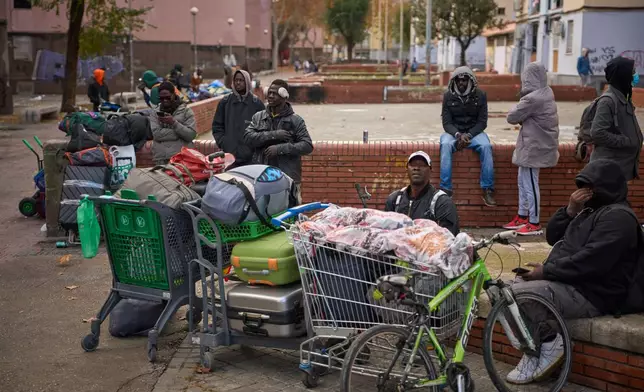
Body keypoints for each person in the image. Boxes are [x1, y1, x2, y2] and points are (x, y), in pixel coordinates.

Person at [504, 158, 639, 384]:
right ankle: (533, 351)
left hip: (595, 292)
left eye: (591, 187)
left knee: (520, 295)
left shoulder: (618, 217)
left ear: (605, 186)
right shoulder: (588, 211)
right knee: (505, 291)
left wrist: (546, 272)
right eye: (583, 187)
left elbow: (592, 261)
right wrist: (569, 211)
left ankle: (550, 344)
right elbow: (553, 237)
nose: (585, 192)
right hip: (569, 282)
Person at [503, 62, 560, 235]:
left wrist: (522, 107)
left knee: (530, 184)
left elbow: (511, 117)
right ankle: (522, 216)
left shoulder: (533, 98)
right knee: (523, 181)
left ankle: (534, 222)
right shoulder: (546, 92)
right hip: (535, 144)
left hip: (534, 147)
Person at [244, 79, 314, 204]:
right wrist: (274, 135)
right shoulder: (258, 117)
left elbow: (307, 145)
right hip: (262, 177)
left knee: (291, 214)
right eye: (269, 92)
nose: (270, 96)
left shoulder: (296, 121)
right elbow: (248, 138)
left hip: (288, 178)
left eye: (274, 93)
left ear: (284, 96)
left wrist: (280, 149)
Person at [440, 66, 496, 206]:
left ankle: (487, 189)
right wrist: (458, 135)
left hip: (474, 132)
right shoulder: (448, 96)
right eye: (459, 80)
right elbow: (446, 123)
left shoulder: (481, 95)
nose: (461, 83)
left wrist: (469, 135)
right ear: (454, 81)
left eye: (464, 80)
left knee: (486, 146)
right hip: (454, 133)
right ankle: (446, 189)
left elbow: (482, 122)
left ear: (470, 81)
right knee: (445, 145)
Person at [590, 56, 643, 181]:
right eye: (632, 72)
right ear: (623, 75)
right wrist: (626, 141)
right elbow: (598, 132)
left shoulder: (624, 98)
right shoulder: (608, 101)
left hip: (621, 169)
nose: (635, 75)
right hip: (608, 171)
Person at [384, 151, 459, 236]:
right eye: (412, 165)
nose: (416, 168)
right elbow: (385, 234)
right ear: (407, 169)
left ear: (431, 170)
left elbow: (449, 239)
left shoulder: (442, 202)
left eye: (422, 165)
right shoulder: (395, 199)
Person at [212, 69, 265, 169]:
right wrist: (224, 143)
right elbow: (217, 126)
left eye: (241, 80)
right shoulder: (225, 102)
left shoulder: (256, 103)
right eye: (236, 80)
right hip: (229, 157)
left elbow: (264, 128)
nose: (238, 83)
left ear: (247, 82)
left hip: (251, 159)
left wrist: (253, 147)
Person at [149, 82, 196, 165]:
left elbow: (190, 135)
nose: (165, 100)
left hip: (182, 158)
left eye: (167, 97)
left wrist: (173, 123)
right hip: (162, 159)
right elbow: (156, 134)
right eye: (162, 98)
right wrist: (180, 134)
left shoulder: (186, 111)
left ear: (174, 95)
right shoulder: (155, 113)